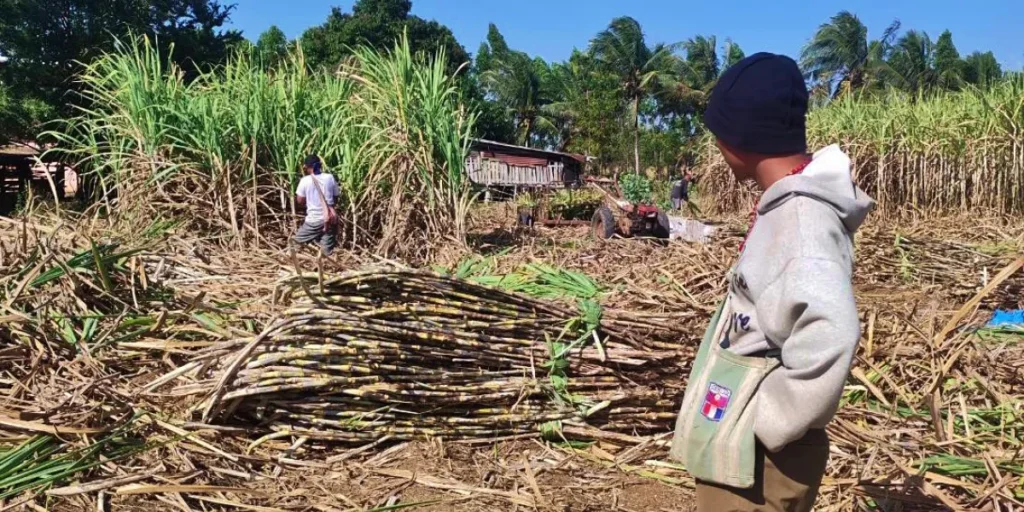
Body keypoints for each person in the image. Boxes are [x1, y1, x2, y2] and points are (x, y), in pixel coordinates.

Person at [669, 53, 874, 512]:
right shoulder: (789, 211)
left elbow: (831, 334)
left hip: (761, 457)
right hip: (747, 447)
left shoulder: (800, 223)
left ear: (740, 137)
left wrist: (767, 420)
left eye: (718, 132)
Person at [292, 154, 340, 256]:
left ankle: (293, 264)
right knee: (326, 252)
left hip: (314, 220)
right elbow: (336, 197)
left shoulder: (305, 181)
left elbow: (300, 200)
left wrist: (310, 201)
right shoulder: (330, 178)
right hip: (331, 218)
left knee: (294, 245)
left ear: (306, 167)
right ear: (320, 165)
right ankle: (327, 267)